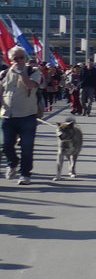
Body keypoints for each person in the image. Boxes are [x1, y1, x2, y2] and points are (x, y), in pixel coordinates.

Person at [2, 46, 45, 184]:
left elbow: (30, 85)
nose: (19, 60)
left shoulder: (33, 71)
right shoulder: (3, 73)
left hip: (27, 115)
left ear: (25, 59)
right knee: (7, 145)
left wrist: (21, 73)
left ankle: (25, 174)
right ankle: (13, 162)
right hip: (8, 115)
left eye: (21, 57)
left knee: (27, 146)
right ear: (10, 60)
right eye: (15, 58)